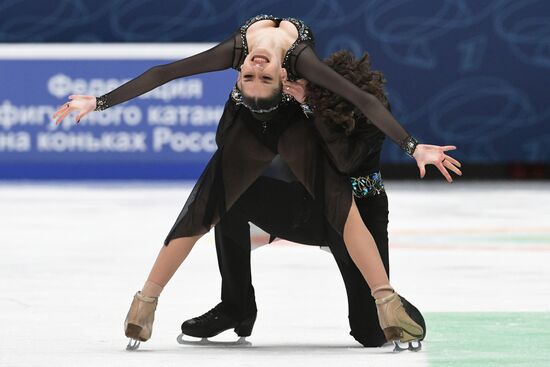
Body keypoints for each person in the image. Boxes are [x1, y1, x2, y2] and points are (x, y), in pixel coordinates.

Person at [53, 15, 460, 350]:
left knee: (368, 331)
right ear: (247, 76)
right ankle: (153, 303)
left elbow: (364, 102)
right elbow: (165, 73)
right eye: (254, 75)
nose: (258, 68)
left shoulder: (271, 61)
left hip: (357, 203)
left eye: (257, 75)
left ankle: (387, 302)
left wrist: (412, 147)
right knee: (214, 197)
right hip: (285, 163)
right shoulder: (279, 61)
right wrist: (99, 101)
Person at [179, 50, 456, 348]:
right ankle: (236, 307)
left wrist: (311, 107)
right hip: (309, 207)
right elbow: (227, 143)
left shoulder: (369, 115)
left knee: (371, 333)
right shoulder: (302, 97)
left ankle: (394, 304)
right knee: (230, 192)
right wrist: (240, 93)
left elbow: (345, 161)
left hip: (360, 216)